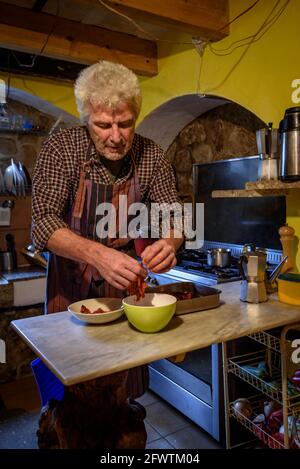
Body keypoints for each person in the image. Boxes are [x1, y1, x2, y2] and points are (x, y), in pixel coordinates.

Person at [31, 60, 184, 402]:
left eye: (125, 124)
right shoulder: (62, 150)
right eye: (103, 125)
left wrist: (170, 243)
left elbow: (174, 218)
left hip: (125, 288)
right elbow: (42, 224)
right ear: (86, 119)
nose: (116, 137)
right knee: (71, 397)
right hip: (69, 289)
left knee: (121, 392)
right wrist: (98, 255)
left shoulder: (151, 156)